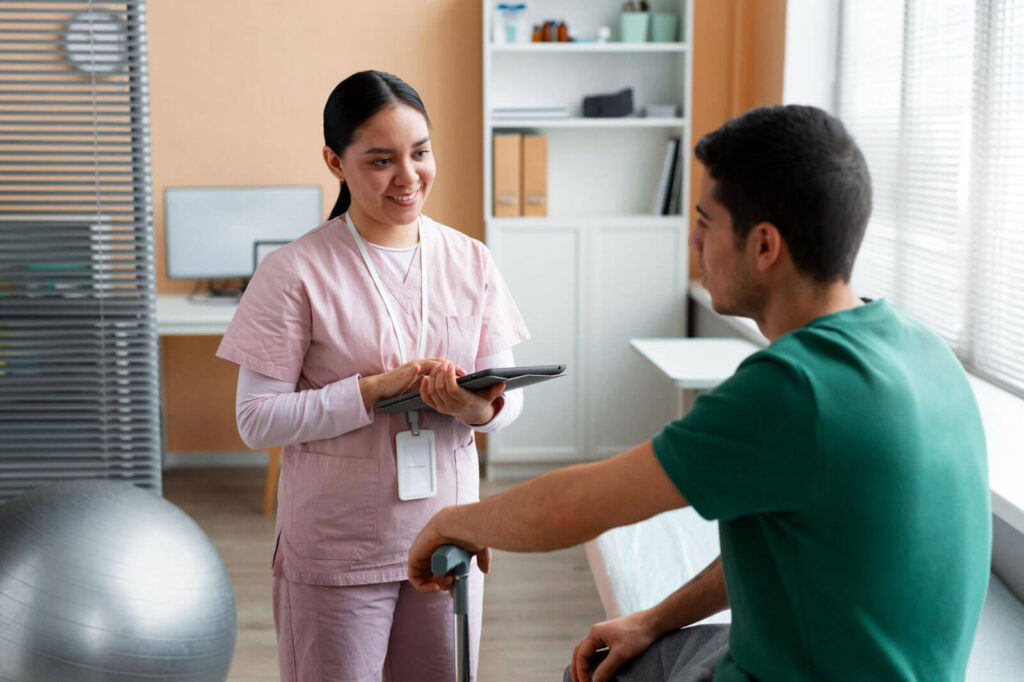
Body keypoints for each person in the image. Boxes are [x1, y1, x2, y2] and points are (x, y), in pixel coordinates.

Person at [408, 105, 991, 682]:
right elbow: (783, 543)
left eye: (706, 222)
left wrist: (452, 523)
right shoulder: (921, 347)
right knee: (628, 654)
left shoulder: (794, 389)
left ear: (764, 247)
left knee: (583, 676)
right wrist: (654, 621)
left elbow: (570, 507)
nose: (693, 240)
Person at [216, 70, 529, 682]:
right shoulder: (294, 271)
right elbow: (256, 421)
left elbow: (506, 399)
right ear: (335, 162)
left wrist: (475, 410)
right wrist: (372, 391)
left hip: (447, 536)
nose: (408, 177)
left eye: (420, 153)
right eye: (381, 160)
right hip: (338, 547)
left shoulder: (471, 260)